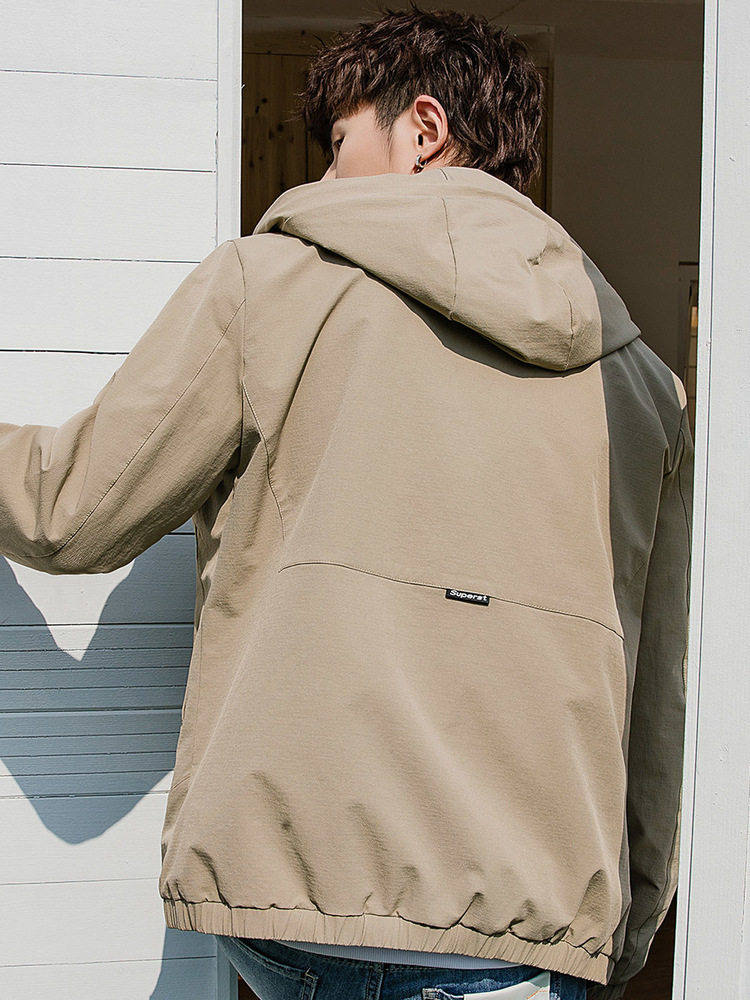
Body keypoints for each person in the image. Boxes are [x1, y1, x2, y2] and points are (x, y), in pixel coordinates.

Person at [0, 6, 692, 1000]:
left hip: (311, 909)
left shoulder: (268, 286)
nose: (323, 181)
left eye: (337, 144)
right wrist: (626, 924)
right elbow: (655, 690)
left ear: (423, 130)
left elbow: (69, 509)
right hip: (532, 935)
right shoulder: (645, 390)